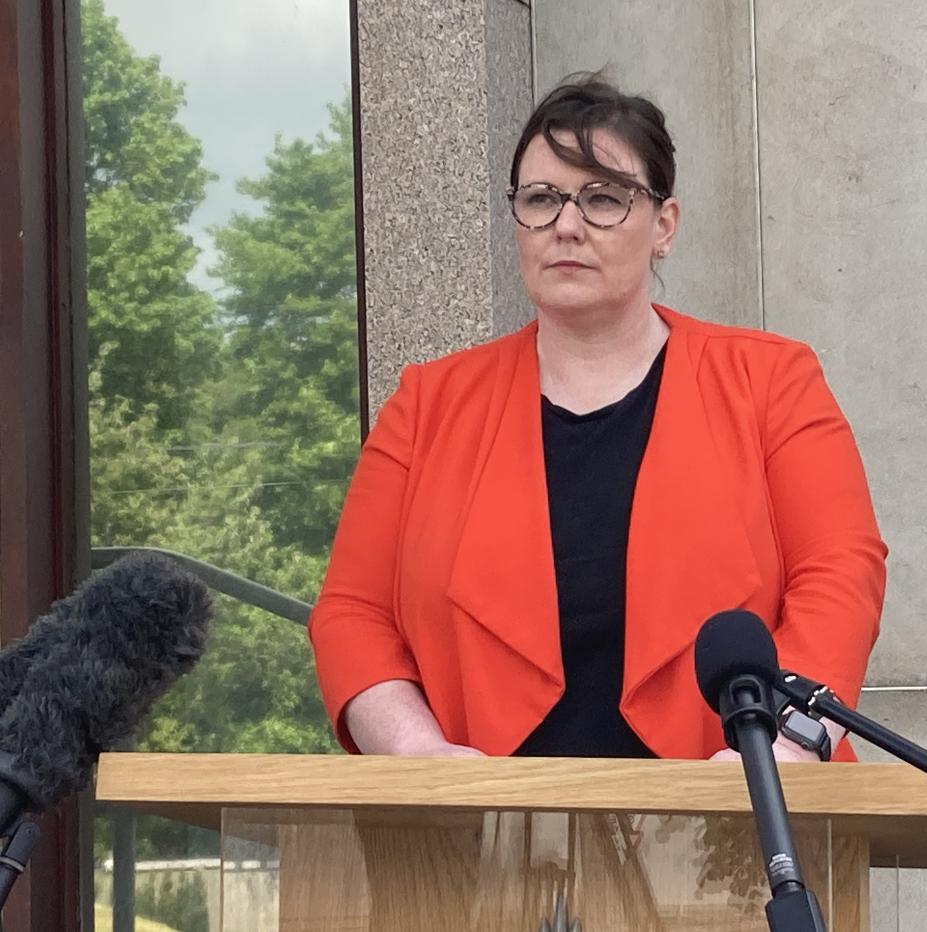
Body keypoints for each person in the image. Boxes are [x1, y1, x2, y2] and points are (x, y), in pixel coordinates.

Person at [308, 74, 887, 763]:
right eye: (542, 199)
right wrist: (421, 759)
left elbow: (839, 574)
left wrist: (779, 754)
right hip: (480, 841)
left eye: (604, 198)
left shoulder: (770, 380)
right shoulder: (427, 403)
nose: (567, 226)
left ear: (664, 226)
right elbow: (352, 615)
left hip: (737, 823)